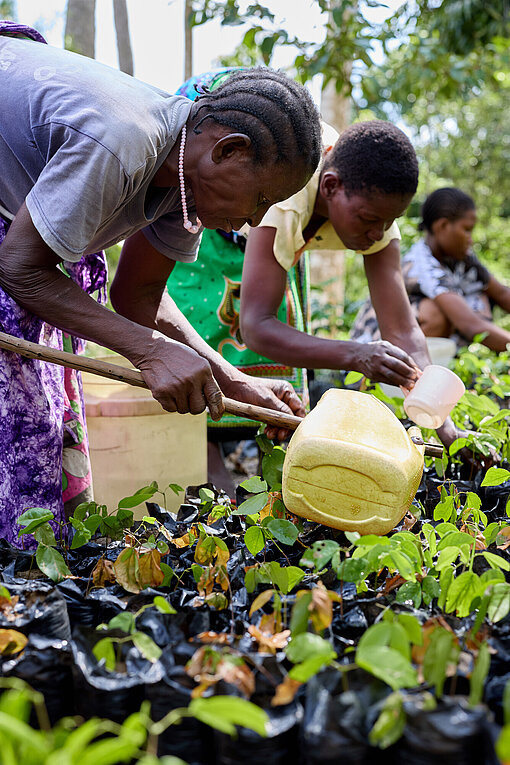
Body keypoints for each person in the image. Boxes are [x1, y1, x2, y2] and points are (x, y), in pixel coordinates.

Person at [0, 21, 322, 543]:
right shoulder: (122, 141)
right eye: (260, 199)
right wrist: (149, 354)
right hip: (13, 259)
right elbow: (18, 268)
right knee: (17, 445)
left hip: (20, 256)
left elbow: (138, 297)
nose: (251, 222)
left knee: (44, 444)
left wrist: (231, 378)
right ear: (227, 151)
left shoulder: (184, 181)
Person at [352, 187, 510, 351]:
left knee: (479, 298)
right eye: (467, 229)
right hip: (371, 353)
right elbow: (471, 325)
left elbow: (502, 294)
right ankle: (416, 374)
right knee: (436, 313)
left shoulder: (463, 259)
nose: (470, 239)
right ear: (442, 226)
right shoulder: (422, 265)